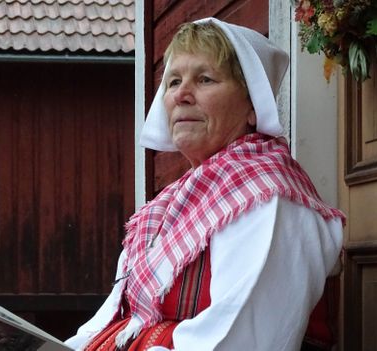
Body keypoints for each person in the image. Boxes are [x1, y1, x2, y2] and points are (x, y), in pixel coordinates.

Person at [65, 17, 345, 351]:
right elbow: (112, 319)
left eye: (205, 79)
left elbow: (242, 341)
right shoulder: (167, 208)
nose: (181, 94)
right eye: (172, 82)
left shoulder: (269, 198)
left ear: (253, 106)